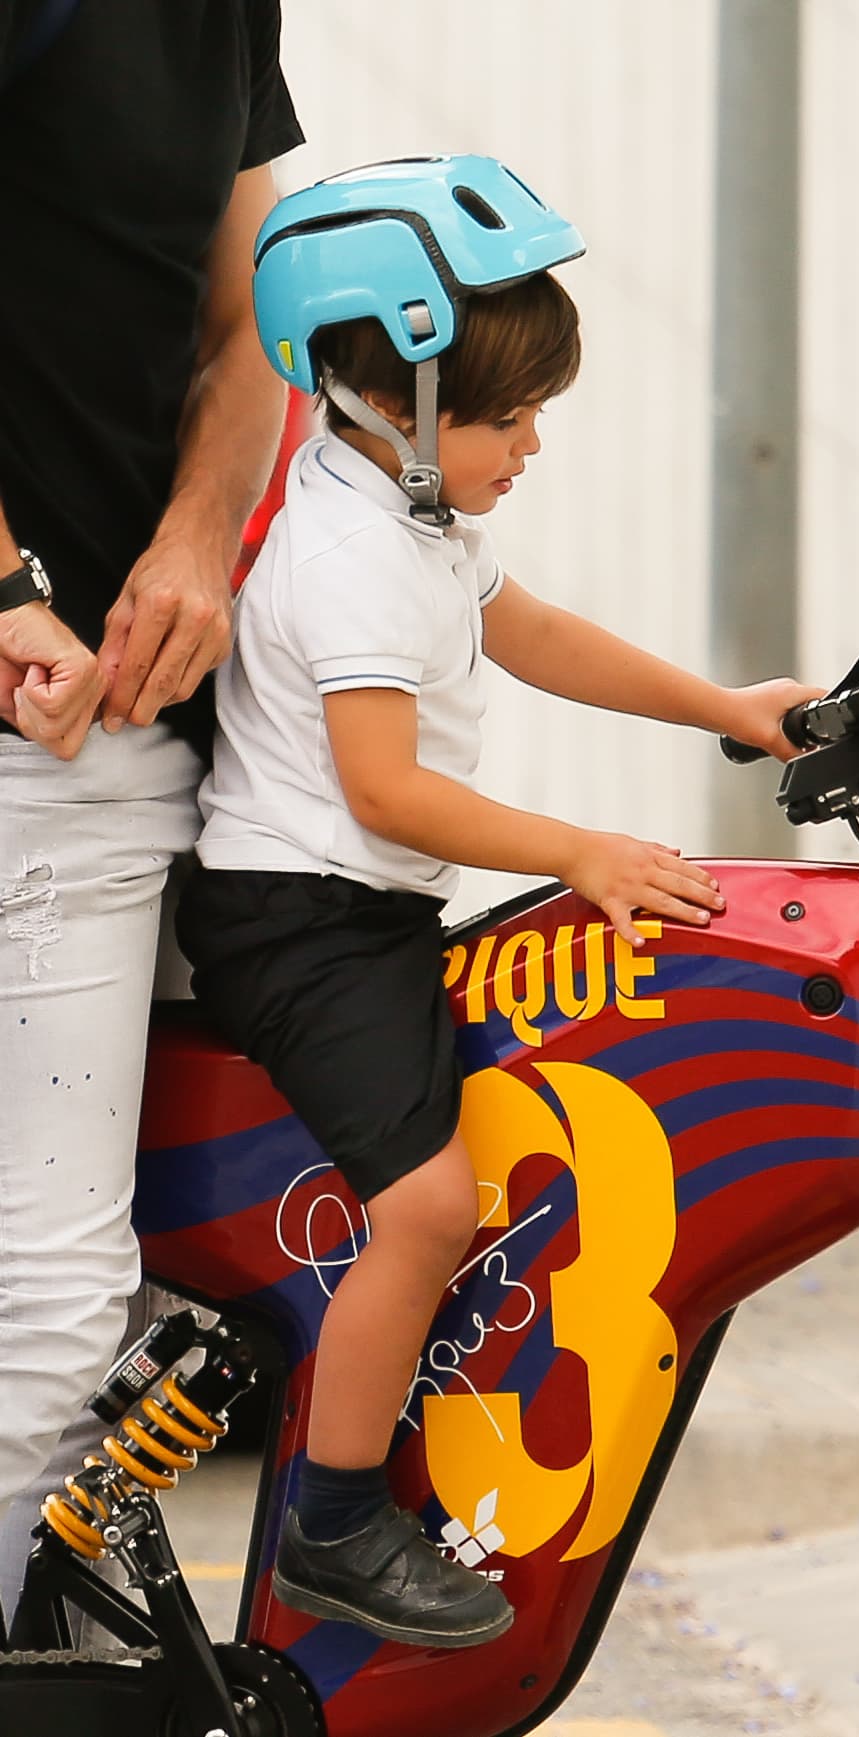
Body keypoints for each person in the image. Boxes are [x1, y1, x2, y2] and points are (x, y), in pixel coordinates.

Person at [175, 154, 819, 1649]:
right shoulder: (343, 553)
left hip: (361, 907)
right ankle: (330, 1525)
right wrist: (581, 851)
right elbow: (386, 790)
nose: (529, 444)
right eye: (504, 417)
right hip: (300, 918)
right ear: (390, 403)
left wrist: (728, 705)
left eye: (537, 413)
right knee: (428, 1208)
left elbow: (531, 633)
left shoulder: (412, 519)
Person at [0, 0, 302, 1625]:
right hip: (34, 730)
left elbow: (250, 316)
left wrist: (196, 538)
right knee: (46, 1312)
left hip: (113, 732)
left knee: (91, 1302)